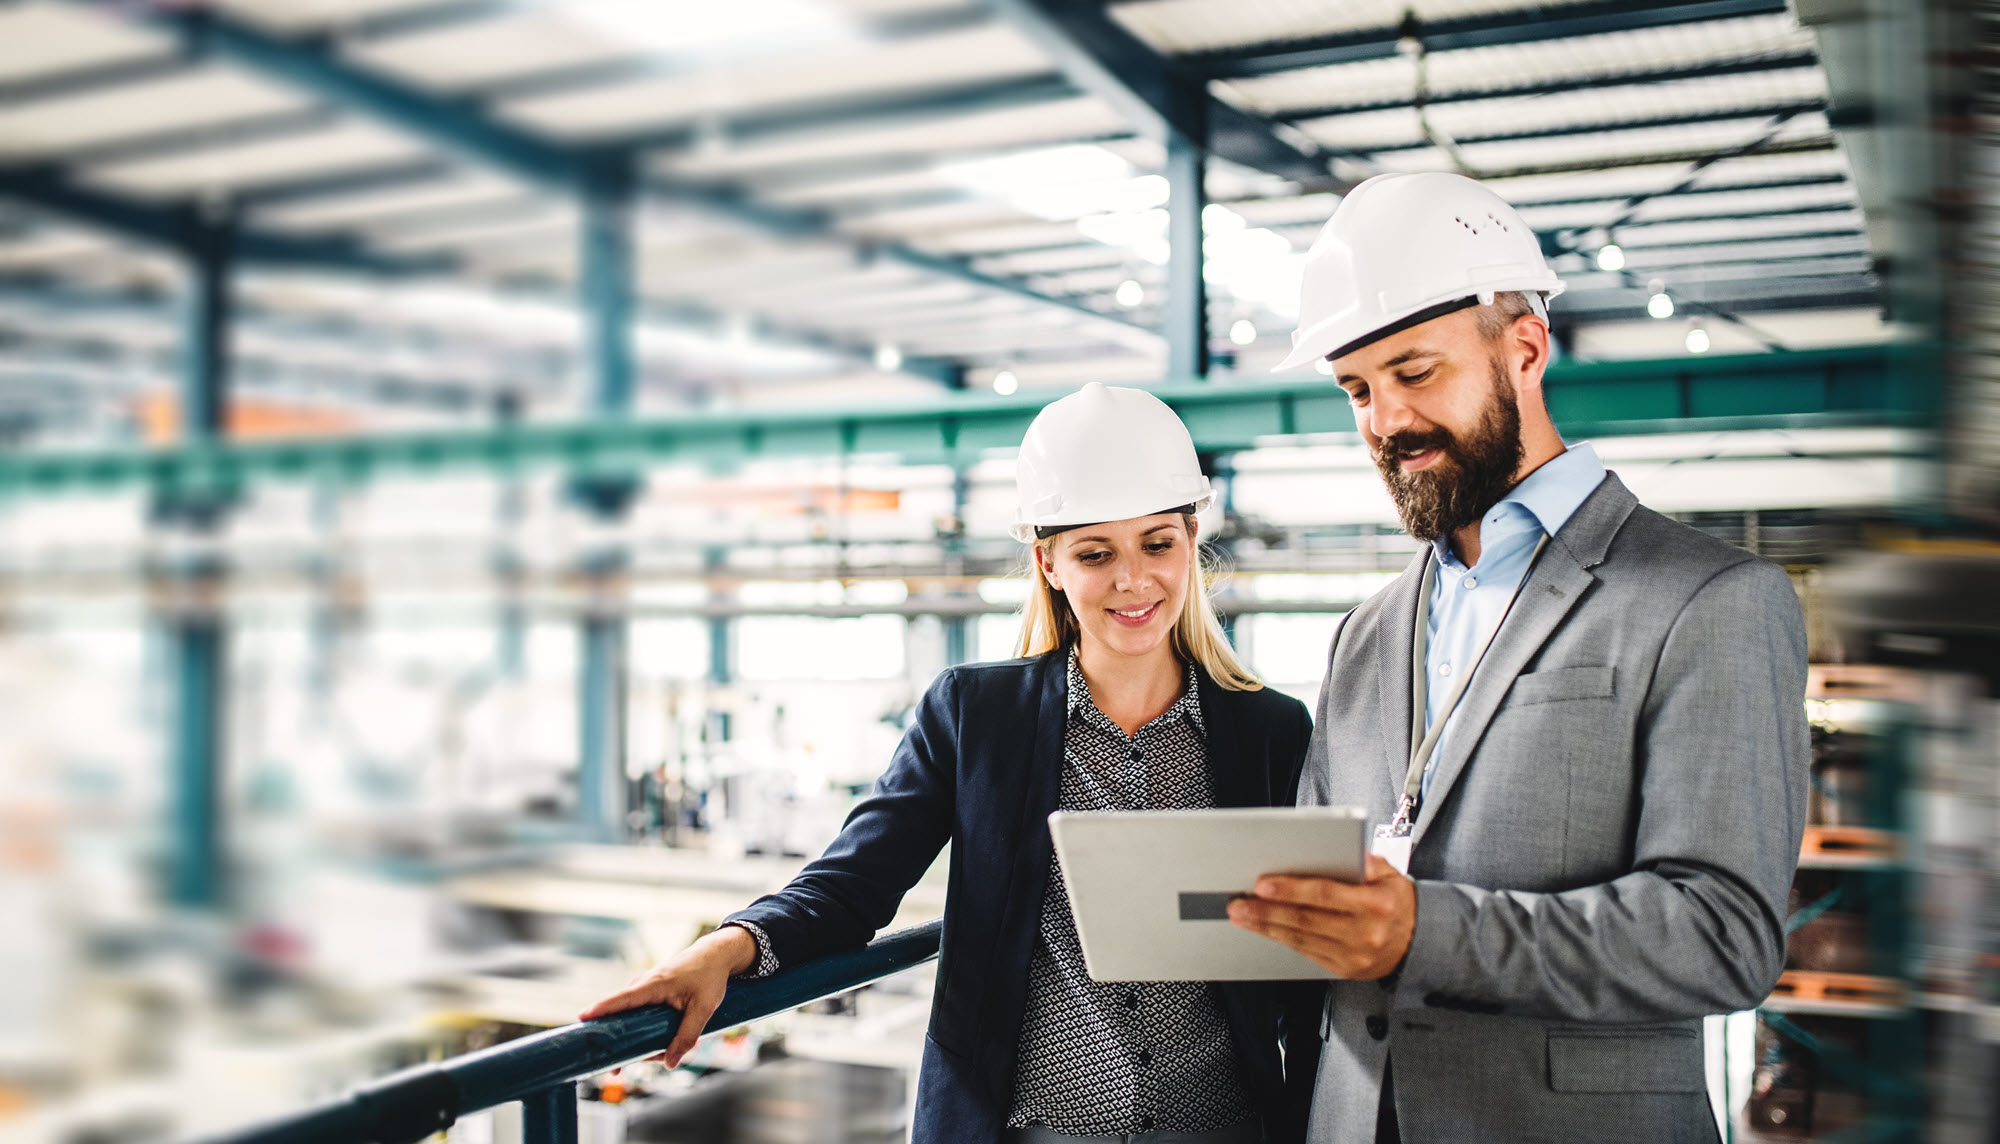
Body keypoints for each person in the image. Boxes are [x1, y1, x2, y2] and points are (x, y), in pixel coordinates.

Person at [1227, 172, 1809, 1144]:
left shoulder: (1706, 599)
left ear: (1525, 350)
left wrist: (1427, 932)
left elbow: (1722, 935)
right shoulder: (1365, 632)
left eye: (1415, 373)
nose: (1384, 421)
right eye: (1357, 390)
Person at [582, 382, 1321, 1144]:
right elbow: (853, 883)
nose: (1133, 580)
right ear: (1049, 563)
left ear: (1191, 540)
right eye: (1095, 554)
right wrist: (724, 948)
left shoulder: (1270, 732)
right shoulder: (976, 717)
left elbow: (1308, 961)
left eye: (1157, 544)